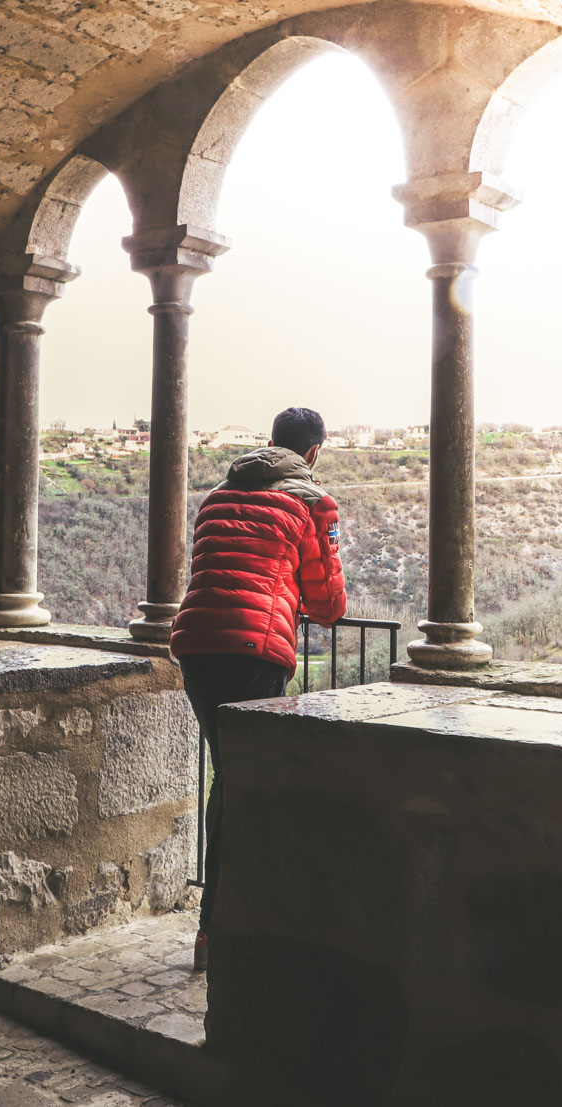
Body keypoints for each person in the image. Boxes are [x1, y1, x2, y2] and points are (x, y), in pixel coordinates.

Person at [170, 405, 346, 971]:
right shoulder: (313, 503)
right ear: (313, 453)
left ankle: (216, 927)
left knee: (230, 776)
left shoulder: (218, 495)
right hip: (254, 652)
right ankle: (220, 931)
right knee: (242, 782)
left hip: (196, 648)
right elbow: (328, 604)